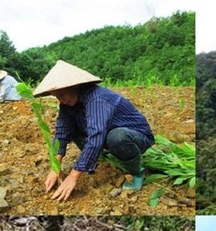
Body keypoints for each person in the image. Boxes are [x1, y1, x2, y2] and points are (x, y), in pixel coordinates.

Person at [33, 60, 154, 200]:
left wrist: (73, 176)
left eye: (62, 94)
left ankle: (137, 173)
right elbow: (61, 134)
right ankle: (94, 159)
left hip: (136, 137)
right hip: (106, 134)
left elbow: (96, 137)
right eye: (57, 97)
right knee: (71, 129)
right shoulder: (67, 105)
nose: (61, 100)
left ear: (75, 86)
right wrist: (55, 167)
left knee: (117, 137)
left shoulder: (97, 98)